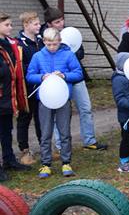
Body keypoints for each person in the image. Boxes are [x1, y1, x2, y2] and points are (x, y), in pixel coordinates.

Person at [43, 7, 107, 151]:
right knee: (59, 114)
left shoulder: (69, 33)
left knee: (85, 109)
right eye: (57, 22)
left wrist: (68, 53)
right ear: (49, 24)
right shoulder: (45, 36)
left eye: (62, 20)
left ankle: (89, 140)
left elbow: (81, 52)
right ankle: (61, 146)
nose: (61, 24)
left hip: (75, 77)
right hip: (58, 81)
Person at [27, 28, 83, 178]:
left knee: (64, 132)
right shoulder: (38, 56)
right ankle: (46, 164)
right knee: (45, 133)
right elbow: (30, 75)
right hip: (44, 99)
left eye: (55, 44)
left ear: (60, 41)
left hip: (63, 98)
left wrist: (64, 75)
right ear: (44, 42)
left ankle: (66, 162)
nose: (52, 47)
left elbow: (78, 73)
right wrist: (42, 77)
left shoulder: (68, 55)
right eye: (49, 44)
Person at [0, 13, 28, 180]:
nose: (11, 27)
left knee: (6, 130)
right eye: (7, 25)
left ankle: (9, 160)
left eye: (11, 24)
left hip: (7, 96)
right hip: (1, 94)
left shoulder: (8, 45)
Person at [16, 11, 42, 166]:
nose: (39, 26)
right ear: (26, 25)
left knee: (41, 118)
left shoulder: (40, 41)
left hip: (41, 87)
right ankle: (24, 150)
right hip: (26, 88)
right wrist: (35, 72)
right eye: (35, 24)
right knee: (25, 118)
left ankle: (44, 146)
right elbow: (20, 66)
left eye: (39, 23)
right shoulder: (20, 44)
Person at [111, 52, 129, 173]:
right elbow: (119, 99)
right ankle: (123, 162)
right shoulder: (118, 79)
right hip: (126, 116)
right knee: (126, 139)